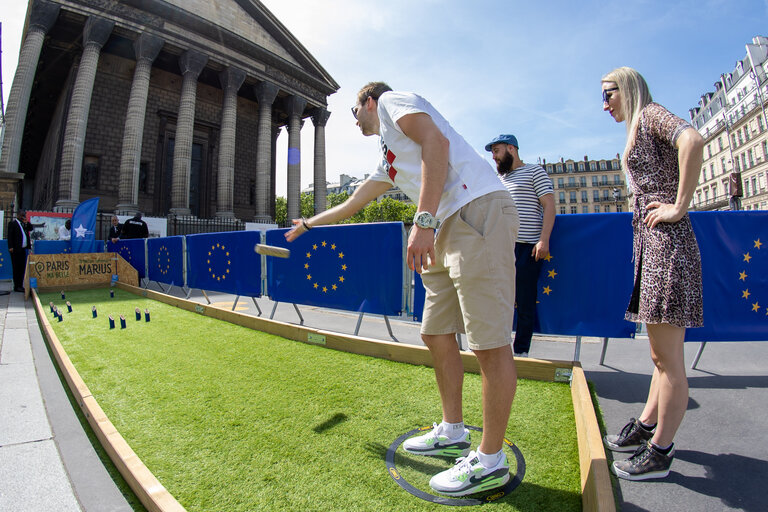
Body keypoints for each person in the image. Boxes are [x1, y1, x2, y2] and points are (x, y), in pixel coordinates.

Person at [285, 82, 519, 497]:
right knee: (434, 332)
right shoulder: (388, 158)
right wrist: (307, 224)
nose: (353, 122)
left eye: (353, 112)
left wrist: (423, 221)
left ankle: (490, 461)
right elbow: (353, 202)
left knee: (489, 343)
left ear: (368, 102)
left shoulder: (393, 102)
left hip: (475, 209)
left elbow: (436, 142)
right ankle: (452, 430)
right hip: (446, 224)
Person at [600, 67, 704, 481]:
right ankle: (646, 426)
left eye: (608, 94)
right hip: (656, 247)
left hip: (668, 245)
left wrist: (678, 206)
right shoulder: (640, 124)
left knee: (669, 361)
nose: (604, 104)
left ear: (627, 89)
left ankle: (660, 451)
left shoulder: (650, 114)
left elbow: (693, 139)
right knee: (660, 356)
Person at [485, 134, 555, 357]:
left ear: (511, 149)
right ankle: (497, 348)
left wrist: (543, 239)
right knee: (496, 299)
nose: (494, 157)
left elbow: (550, 205)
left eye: (497, 151)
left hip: (527, 248)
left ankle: (521, 352)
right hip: (501, 248)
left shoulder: (535, 171)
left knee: (524, 301)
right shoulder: (499, 179)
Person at [7, 210, 31, 292]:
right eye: (22, 215)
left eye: (24, 215)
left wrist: (26, 222)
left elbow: (30, 228)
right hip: (16, 250)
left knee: (22, 268)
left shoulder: (24, 224)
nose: (23, 217)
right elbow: (9, 236)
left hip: (23, 249)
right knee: (16, 268)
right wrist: (10, 247)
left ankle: (20, 285)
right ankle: (16, 286)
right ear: (18, 215)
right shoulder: (13, 224)